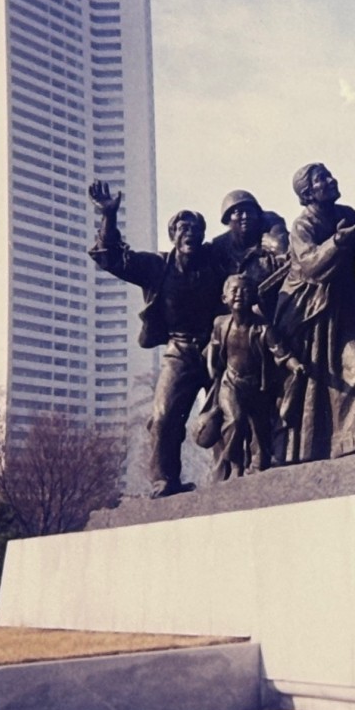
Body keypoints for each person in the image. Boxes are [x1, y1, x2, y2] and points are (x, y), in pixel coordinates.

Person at [87, 180, 227, 498]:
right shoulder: (157, 267)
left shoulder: (215, 265)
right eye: (182, 227)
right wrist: (109, 216)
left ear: (203, 236)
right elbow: (111, 257)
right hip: (180, 350)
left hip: (216, 348)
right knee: (163, 417)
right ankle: (165, 479)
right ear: (173, 235)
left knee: (226, 413)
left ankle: (229, 472)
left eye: (195, 228)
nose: (189, 232)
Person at [274, 163, 355, 462]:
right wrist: (340, 240)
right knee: (316, 387)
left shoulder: (345, 214)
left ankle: (354, 444)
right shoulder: (302, 225)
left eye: (330, 175)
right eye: (323, 179)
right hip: (309, 313)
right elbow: (310, 264)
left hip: (346, 302)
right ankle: (320, 449)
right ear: (308, 193)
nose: (332, 180)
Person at [201, 274, 304, 481]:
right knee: (235, 421)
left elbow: (281, 353)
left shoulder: (263, 328)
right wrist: (212, 369)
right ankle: (234, 463)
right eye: (234, 290)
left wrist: (296, 366)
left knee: (260, 437)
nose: (239, 294)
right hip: (230, 383)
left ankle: (258, 470)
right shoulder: (220, 324)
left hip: (257, 387)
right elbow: (212, 350)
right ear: (224, 298)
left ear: (254, 297)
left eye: (245, 290)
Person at [211, 189, 287, 319]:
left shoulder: (268, 247)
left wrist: (278, 245)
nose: (245, 217)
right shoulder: (217, 248)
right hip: (228, 321)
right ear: (228, 219)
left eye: (250, 212)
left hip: (266, 320)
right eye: (238, 213)